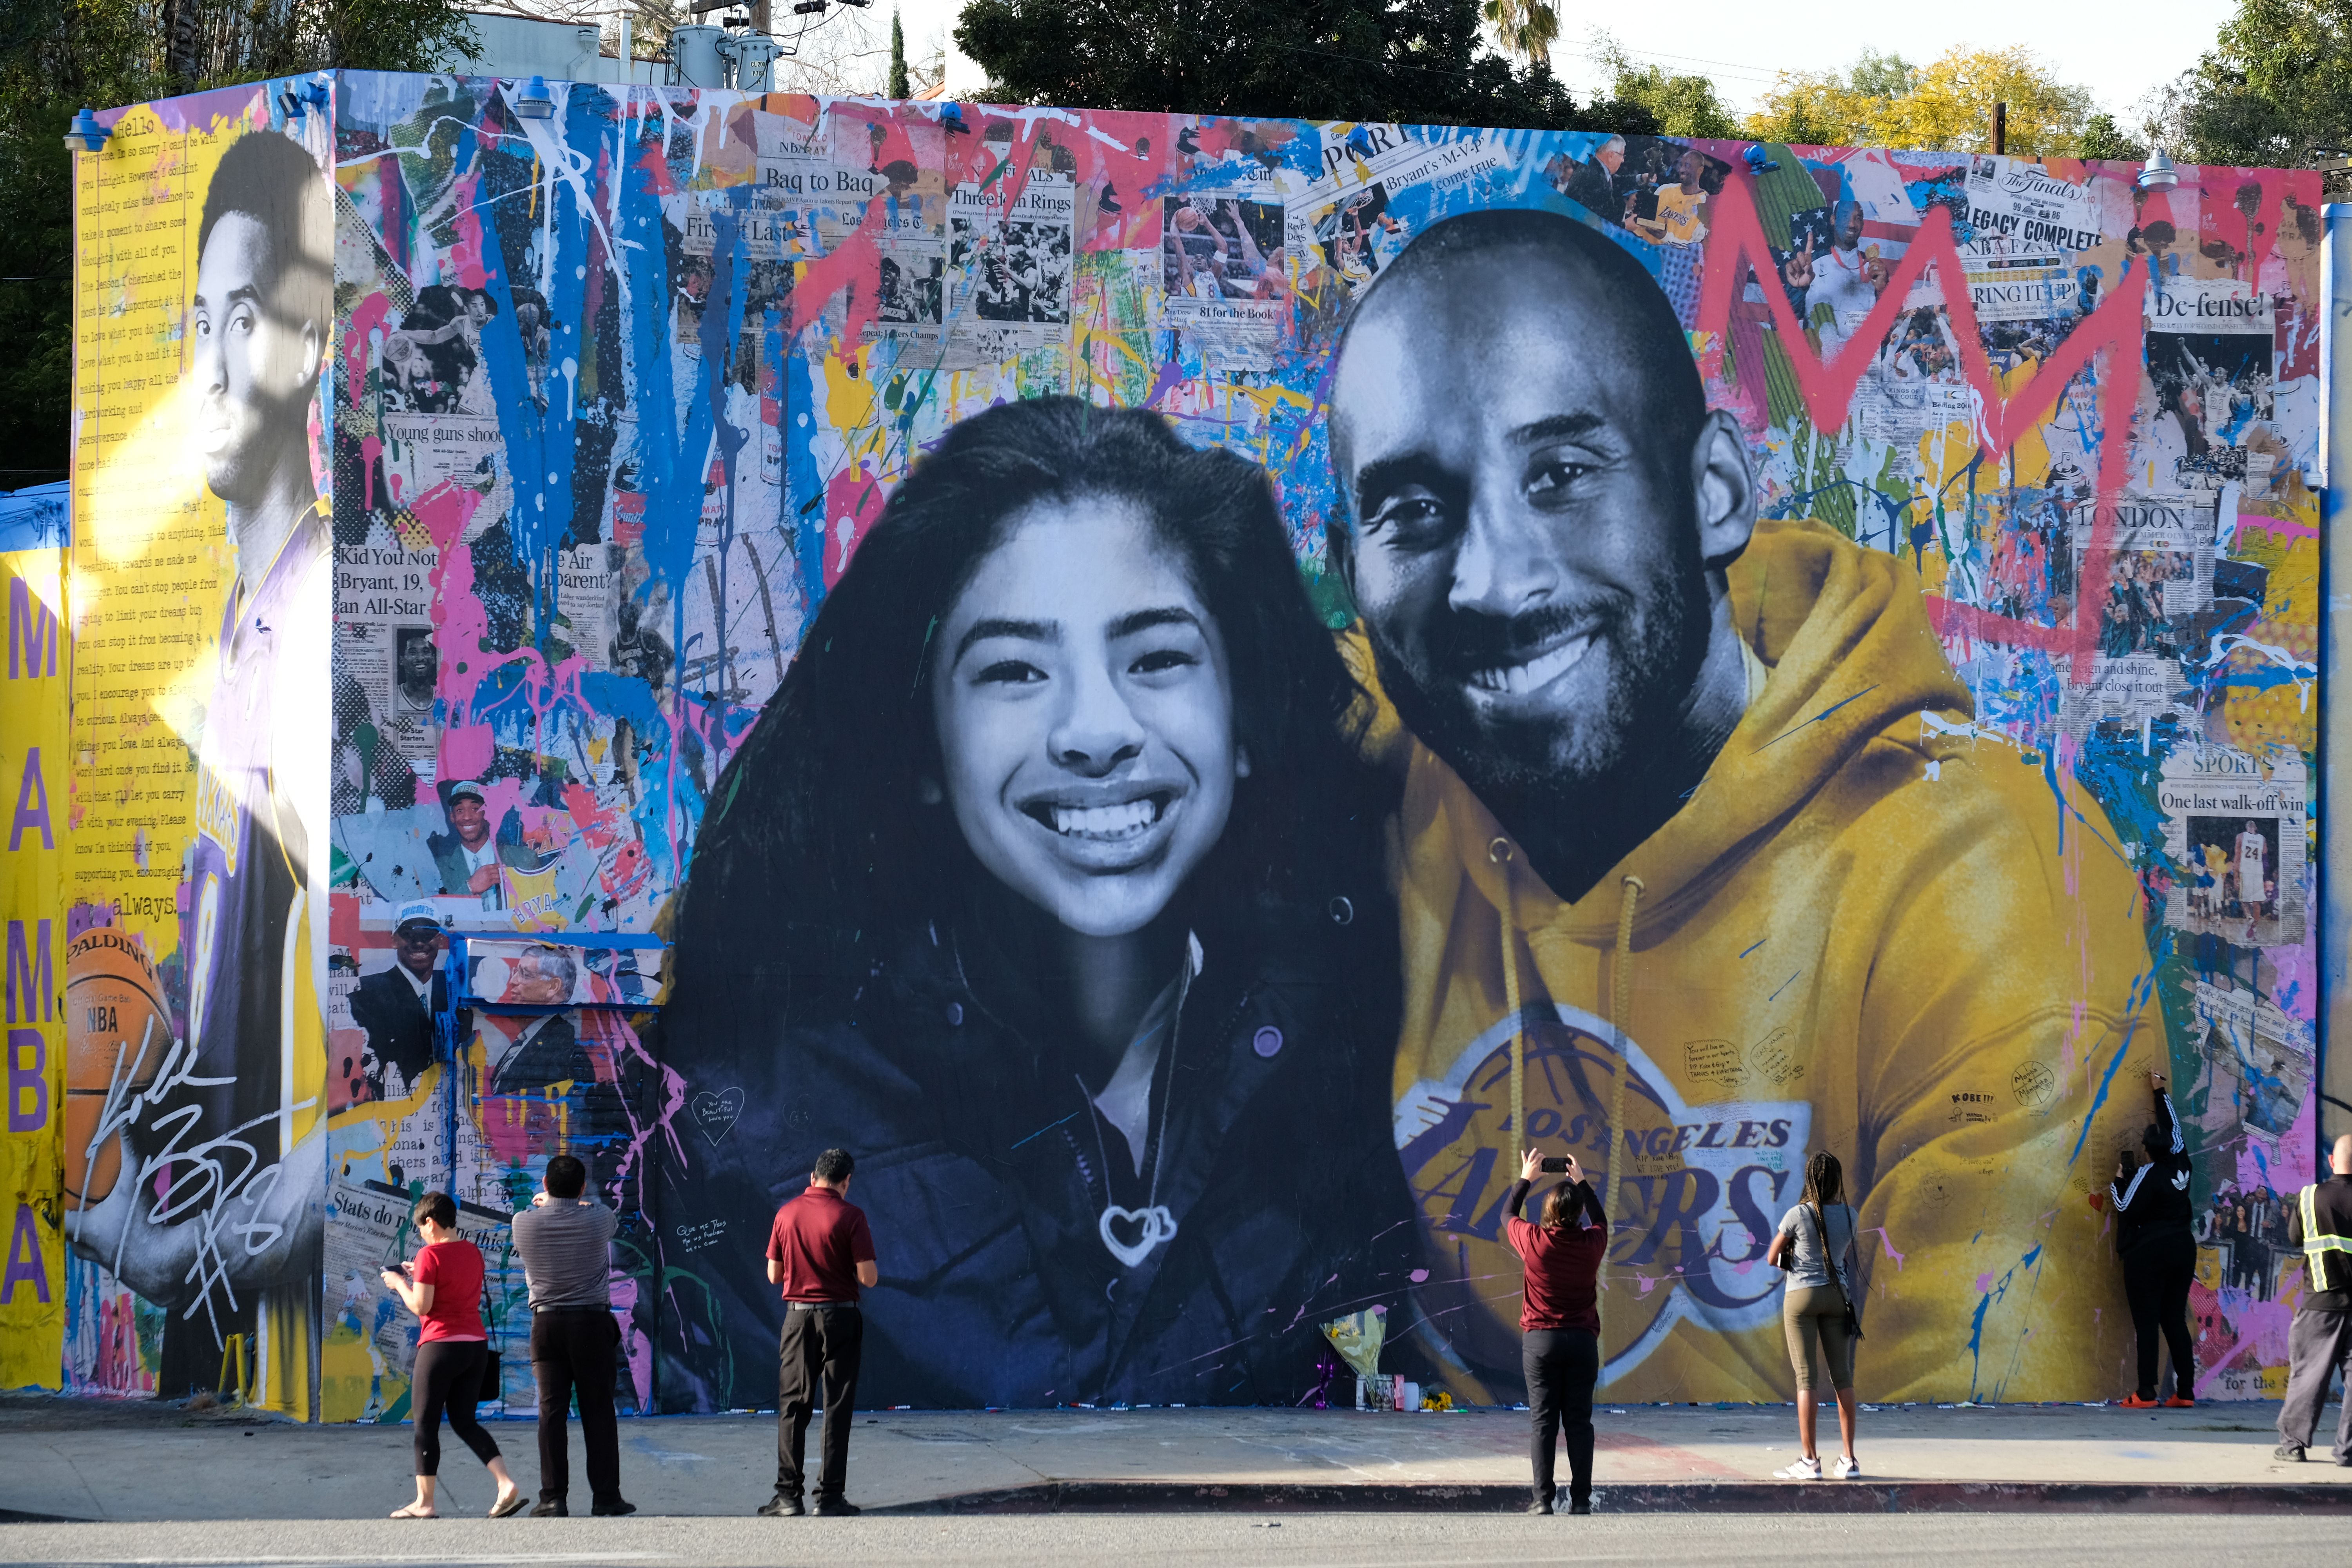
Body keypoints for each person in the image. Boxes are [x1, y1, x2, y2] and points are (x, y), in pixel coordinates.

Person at [1325, 206, 2164, 1404]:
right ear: (1351, 560)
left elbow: (1984, 1465)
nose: (1489, 581)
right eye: (1410, 510)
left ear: (1713, 490)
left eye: (1560, 474)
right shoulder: (1360, 762)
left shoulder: (1976, 872)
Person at [651, 397, 1413, 1412]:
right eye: (1014, 669)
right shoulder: (754, 1142)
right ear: (926, 748)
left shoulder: (1370, 1076)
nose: (1095, 731)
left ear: (1244, 721)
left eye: (1156, 657)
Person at [64, 124, 334, 1413]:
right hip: (232, 1343)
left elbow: (374, 1039)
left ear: (315, 346)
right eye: (205, 319)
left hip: (280, 1349)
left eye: (257, 317)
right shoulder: (244, 623)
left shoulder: (320, 610)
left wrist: (177, 1250)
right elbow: (248, 971)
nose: (220, 363)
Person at [378, 1192, 527, 1519]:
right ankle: (505, 1483)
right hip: (475, 1347)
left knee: (425, 1424)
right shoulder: (473, 1252)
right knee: (464, 1421)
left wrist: (399, 1283)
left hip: (441, 1348)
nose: (420, 1234)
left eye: (420, 1228)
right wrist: (418, 1272)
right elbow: (452, 1281)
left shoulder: (429, 1254)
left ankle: (425, 1503)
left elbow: (421, 1306)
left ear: (430, 1223)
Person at [759, 1148, 878, 1518]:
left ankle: (787, 1496)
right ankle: (829, 1497)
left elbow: (774, 1276)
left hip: (797, 1318)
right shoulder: (852, 1216)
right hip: (840, 1317)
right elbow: (868, 1278)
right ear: (846, 1182)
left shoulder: (786, 1213)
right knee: (836, 1407)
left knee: (793, 1405)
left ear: (812, 1178)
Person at [511, 1154, 632, 1517]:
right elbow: (595, 1210)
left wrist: (546, 1203)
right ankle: (606, 1498)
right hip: (591, 1324)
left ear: (545, 1186)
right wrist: (572, 1201)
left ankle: (552, 1498)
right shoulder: (600, 1220)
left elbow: (549, 1204)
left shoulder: (523, 1223)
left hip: (546, 1325)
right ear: (582, 1188)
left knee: (551, 1413)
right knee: (598, 1410)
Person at [1506, 1146, 1607, 1516]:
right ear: (1578, 1211)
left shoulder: (1534, 1242)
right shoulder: (1592, 1244)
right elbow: (1602, 1222)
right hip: (1582, 1342)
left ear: (1548, 1213)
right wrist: (1581, 1183)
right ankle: (1581, 1501)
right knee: (1579, 1423)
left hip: (1541, 1342)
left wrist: (1526, 1179)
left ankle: (1542, 1500)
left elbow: (1507, 1214)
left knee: (1543, 1422)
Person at [1767, 1150, 1862, 1479]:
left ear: (1809, 1179)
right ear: (1836, 1181)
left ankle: (1809, 1461)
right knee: (1843, 1378)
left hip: (1801, 1298)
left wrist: (1791, 1262)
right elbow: (1841, 1254)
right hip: (1839, 1297)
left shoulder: (1797, 1214)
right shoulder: (1851, 1216)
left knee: (1806, 1379)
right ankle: (1849, 1460)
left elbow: (1772, 1257)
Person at [2111, 1070, 2195, 1409]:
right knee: (2174, 1319)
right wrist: (2160, 1093)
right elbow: (2174, 1129)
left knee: (2147, 1322)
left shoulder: (2148, 1173)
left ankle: (2146, 1392)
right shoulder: (2182, 1164)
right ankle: (2185, 1392)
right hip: (2183, 1248)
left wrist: (2119, 1180)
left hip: (2150, 1253)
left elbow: (2123, 1206)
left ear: (2146, 1150)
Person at [2276, 1134, 2352, 1462]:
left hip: (2320, 1303)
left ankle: (2293, 1445)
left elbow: (2294, 1239)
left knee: (2308, 1377)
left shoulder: (2309, 1197)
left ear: (2332, 1162)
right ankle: (2347, 1451)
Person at [351, 902, 447, 1102]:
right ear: (394, 940)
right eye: (409, 934)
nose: (419, 943)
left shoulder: (454, 989)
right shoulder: (365, 991)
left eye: (427, 934)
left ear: (440, 940)